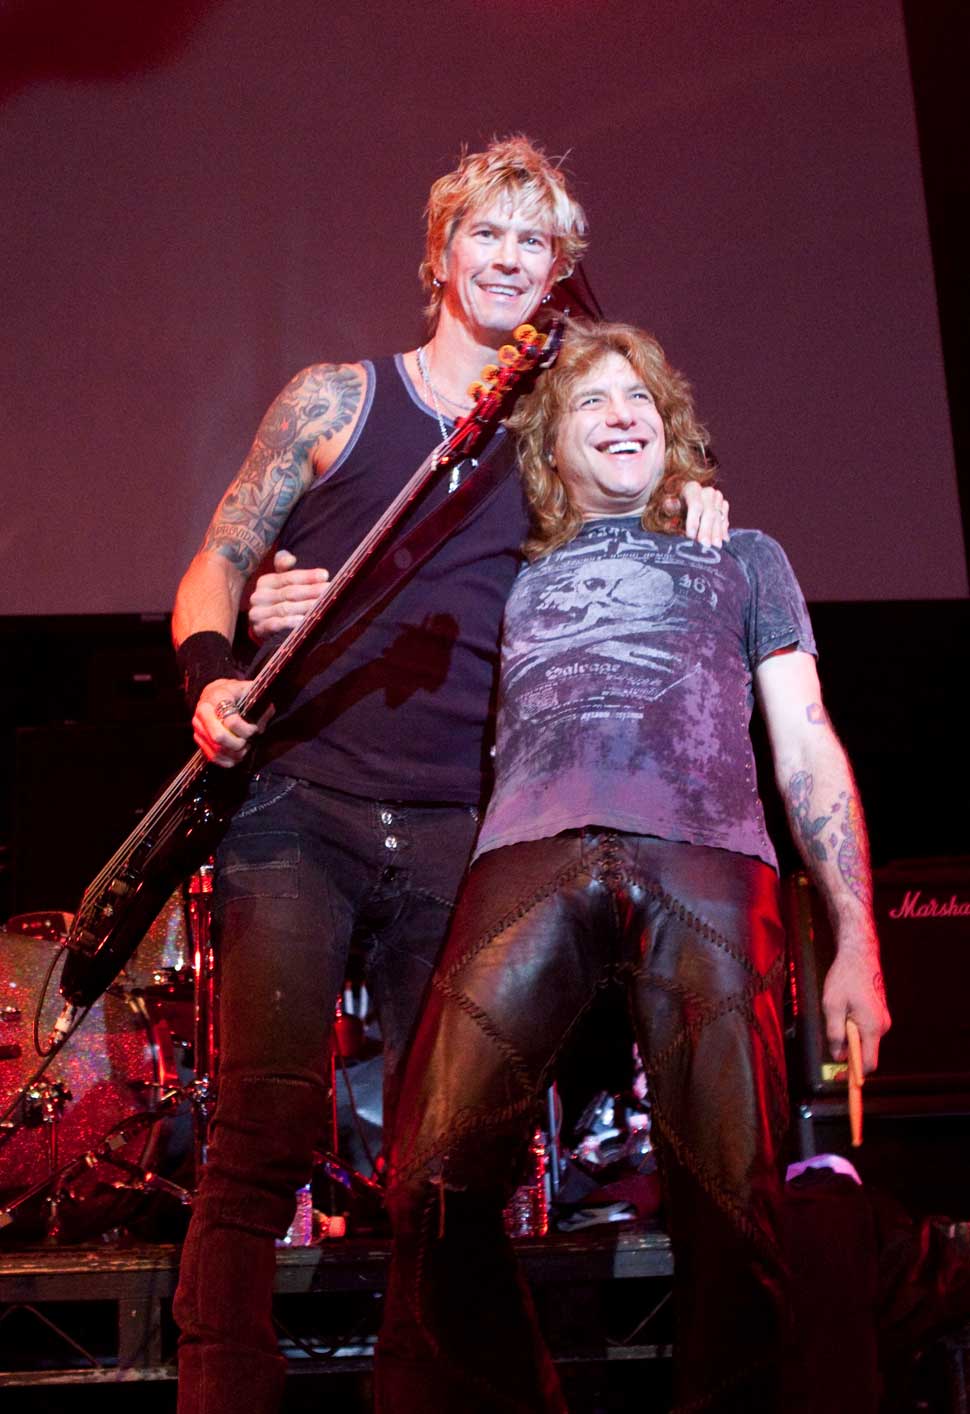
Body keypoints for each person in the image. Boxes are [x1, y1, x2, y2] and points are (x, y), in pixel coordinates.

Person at [170, 140, 728, 1414]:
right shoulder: (337, 401)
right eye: (488, 234)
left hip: (454, 831)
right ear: (440, 252)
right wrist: (215, 664)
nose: (508, 259)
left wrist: (696, 498)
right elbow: (215, 557)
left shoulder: (555, 430)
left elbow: (651, 466)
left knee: (446, 1163)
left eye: (534, 245)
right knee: (262, 1131)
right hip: (295, 808)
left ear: (553, 274)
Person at [372, 320, 892, 1413]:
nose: (622, 415)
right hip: (529, 856)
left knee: (733, 1209)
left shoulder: (743, 555)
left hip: (704, 857)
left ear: (674, 434)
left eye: (641, 401)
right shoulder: (505, 576)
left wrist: (858, 942)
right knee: (428, 1183)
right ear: (550, 451)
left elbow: (804, 742)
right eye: (592, 403)